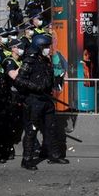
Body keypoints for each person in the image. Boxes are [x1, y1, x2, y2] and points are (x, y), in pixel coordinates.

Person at [10, 33, 67, 170]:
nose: (48, 49)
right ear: (39, 46)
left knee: (51, 128)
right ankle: (27, 159)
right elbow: (18, 80)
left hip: (46, 99)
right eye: (46, 46)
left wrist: (57, 79)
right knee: (32, 130)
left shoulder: (46, 60)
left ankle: (53, 155)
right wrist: (35, 87)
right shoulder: (29, 61)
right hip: (34, 100)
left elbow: (47, 77)